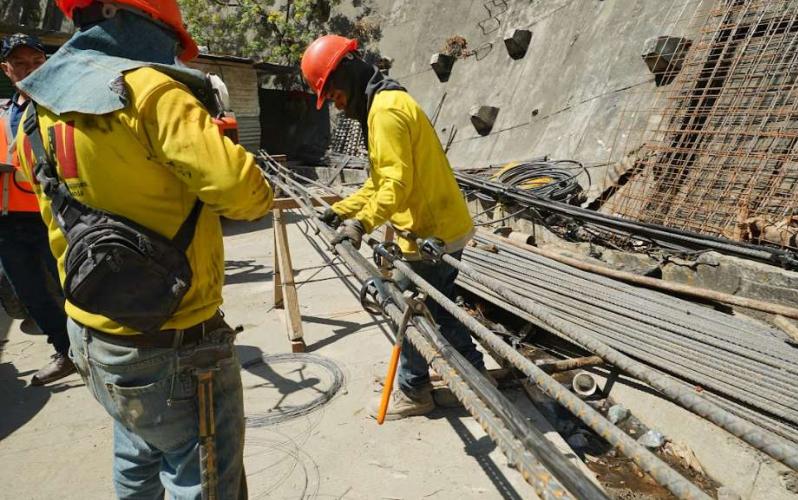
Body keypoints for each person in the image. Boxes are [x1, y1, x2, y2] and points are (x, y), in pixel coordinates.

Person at [16, 1, 273, 498]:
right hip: (173, 342)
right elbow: (246, 196)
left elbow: (42, 191)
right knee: (201, 481)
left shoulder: (35, 106)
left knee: (137, 451)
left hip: (90, 333)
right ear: (148, 22)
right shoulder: (151, 91)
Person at [301, 35, 488, 420]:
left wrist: (362, 223)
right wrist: (344, 210)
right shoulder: (383, 103)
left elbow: (395, 187)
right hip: (436, 225)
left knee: (411, 309)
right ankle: (468, 379)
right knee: (436, 306)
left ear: (348, 74)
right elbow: (378, 181)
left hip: (430, 232)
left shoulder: (384, 112)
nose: (338, 105)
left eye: (335, 96)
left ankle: (417, 389)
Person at [0, 33, 75, 385]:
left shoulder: (66, 105)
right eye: (20, 63)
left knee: (74, 286)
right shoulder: (3, 113)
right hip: (9, 221)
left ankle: (100, 349)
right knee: (31, 293)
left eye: (36, 61)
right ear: (6, 70)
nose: (29, 69)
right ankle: (66, 351)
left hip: (57, 213)